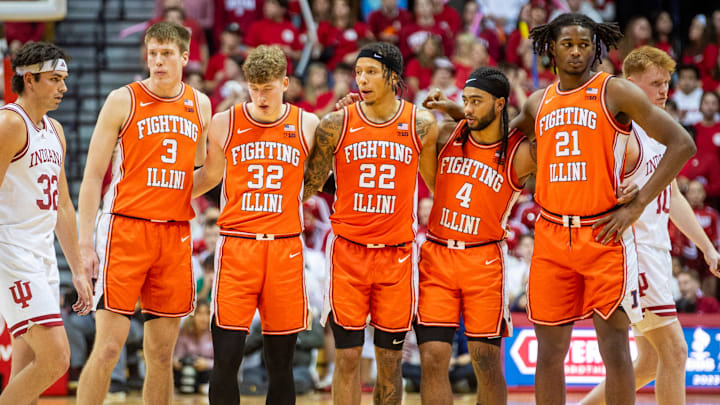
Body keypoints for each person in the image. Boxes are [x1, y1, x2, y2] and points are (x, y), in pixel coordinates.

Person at [511, 13, 695, 404]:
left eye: (583, 44)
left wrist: (637, 205)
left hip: (603, 233)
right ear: (551, 49)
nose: (576, 51)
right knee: (549, 352)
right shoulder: (535, 103)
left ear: (596, 48)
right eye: (567, 44)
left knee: (614, 349)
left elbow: (682, 143)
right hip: (552, 234)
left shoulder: (615, 92)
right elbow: (498, 141)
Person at [76, 21, 212, 404]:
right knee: (108, 347)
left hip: (173, 234)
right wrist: (85, 242)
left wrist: (176, 192)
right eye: (152, 53)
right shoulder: (123, 99)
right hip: (125, 229)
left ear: (185, 57)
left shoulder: (200, 103)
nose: (157, 61)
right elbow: (90, 178)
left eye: (166, 53)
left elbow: (196, 173)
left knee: (161, 355)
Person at [580, 46, 720, 405]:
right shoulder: (620, 129)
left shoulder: (658, 131)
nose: (664, 91)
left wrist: (706, 247)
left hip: (655, 249)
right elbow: (590, 183)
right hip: (632, 250)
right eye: (656, 83)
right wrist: (615, 191)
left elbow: (672, 196)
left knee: (650, 360)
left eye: (667, 83)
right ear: (630, 84)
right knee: (673, 351)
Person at [302, 41, 438, 405]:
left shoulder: (420, 123)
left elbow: (438, 185)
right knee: (346, 359)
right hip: (348, 253)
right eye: (357, 72)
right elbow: (307, 185)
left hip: (396, 255)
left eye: (370, 72)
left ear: (393, 78)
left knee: (390, 362)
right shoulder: (336, 123)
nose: (361, 79)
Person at [191, 44, 319, 405]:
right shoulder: (224, 122)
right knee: (227, 357)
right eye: (255, 88)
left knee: (280, 362)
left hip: (285, 249)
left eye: (269, 88)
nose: (261, 97)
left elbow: (325, 179)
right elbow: (209, 175)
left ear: (286, 83)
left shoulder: (307, 124)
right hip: (237, 246)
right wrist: (172, 189)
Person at [416, 67, 535, 405]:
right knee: (433, 358)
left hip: (483, 260)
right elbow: (433, 184)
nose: (467, 108)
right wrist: (453, 112)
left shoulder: (520, 151)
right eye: (464, 101)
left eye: (476, 102)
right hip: (438, 255)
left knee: (485, 361)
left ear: (500, 104)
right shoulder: (444, 135)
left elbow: (544, 124)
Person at [0, 41, 93, 405]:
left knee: (28, 363)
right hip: (11, 251)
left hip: (40, 254)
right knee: (57, 358)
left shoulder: (55, 130)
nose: (64, 87)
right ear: (30, 80)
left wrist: (79, 271)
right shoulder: (9, 123)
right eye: (55, 79)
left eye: (64, 79)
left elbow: (64, 207)